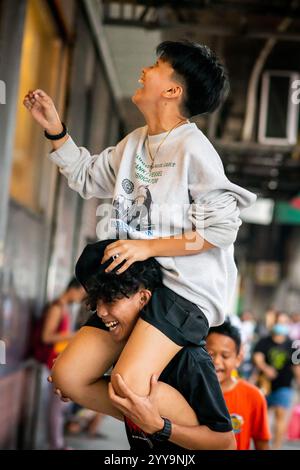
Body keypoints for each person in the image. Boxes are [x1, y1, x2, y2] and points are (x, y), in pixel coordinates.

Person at [23, 40, 256, 410]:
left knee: (127, 385)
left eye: (156, 66)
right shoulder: (134, 143)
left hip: (185, 295)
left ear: (172, 90)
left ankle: (204, 433)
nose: (144, 71)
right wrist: (55, 130)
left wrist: (147, 246)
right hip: (138, 285)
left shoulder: (195, 150)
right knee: (67, 375)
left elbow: (220, 230)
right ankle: (154, 416)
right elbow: (86, 176)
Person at [49, 239, 235, 451]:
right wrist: (75, 383)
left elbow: (226, 443)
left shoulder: (190, 358)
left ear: (144, 298)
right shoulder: (122, 352)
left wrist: (159, 426)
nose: (100, 312)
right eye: (96, 302)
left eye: (110, 300)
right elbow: (79, 381)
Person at [206, 319, 271, 450]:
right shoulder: (189, 391)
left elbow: (262, 444)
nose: (217, 361)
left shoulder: (254, 396)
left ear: (238, 359)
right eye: (210, 354)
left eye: (225, 356)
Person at [38, 278, 85, 450]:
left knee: (59, 406)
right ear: (74, 288)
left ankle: (57, 443)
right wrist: (73, 335)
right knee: (55, 407)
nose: (82, 296)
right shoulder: (57, 307)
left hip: (57, 361)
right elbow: (46, 337)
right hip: (51, 362)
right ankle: (56, 445)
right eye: (82, 292)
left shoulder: (64, 307)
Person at [253, 312, 300, 449]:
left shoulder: (294, 345)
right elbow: (257, 357)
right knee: (263, 418)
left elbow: (296, 366)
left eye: (285, 322)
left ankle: (277, 446)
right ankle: (263, 445)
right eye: (279, 321)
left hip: (284, 385)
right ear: (274, 323)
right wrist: (266, 368)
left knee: (280, 415)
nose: (282, 325)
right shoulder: (264, 341)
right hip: (264, 385)